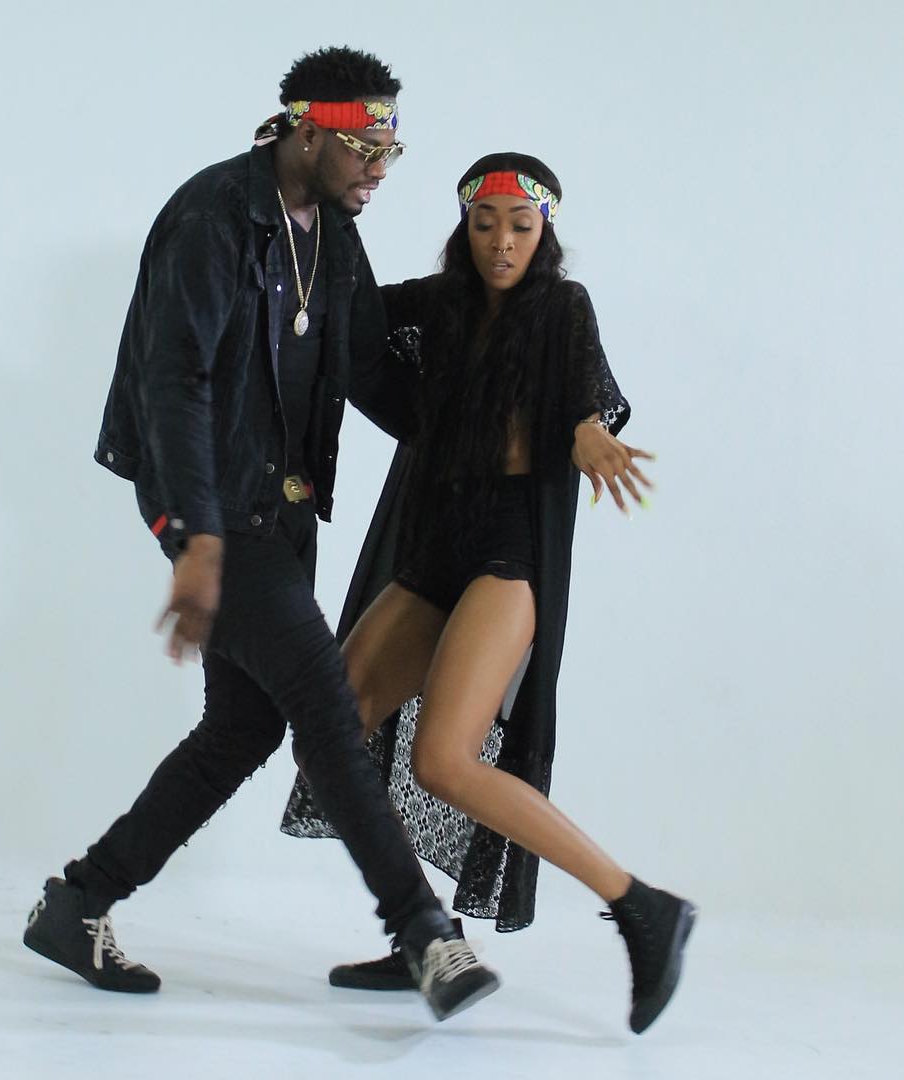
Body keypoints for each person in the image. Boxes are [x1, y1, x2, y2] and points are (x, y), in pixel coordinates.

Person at [22, 47, 500, 1023]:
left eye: (392, 151)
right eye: (366, 148)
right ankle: (426, 935)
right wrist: (195, 538)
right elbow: (175, 384)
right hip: (215, 511)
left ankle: (78, 902)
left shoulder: (333, 234)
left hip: (280, 513)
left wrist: (482, 444)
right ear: (309, 131)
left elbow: (366, 367)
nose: (380, 169)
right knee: (326, 706)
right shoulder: (213, 217)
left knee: (243, 727)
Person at [282, 153, 695, 1034]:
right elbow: (350, 317)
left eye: (519, 225)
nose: (501, 242)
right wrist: (314, 211)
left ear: (544, 232)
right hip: (438, 544)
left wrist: (588, 431)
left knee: (443, 760)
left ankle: (641, 905)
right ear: (463, 228)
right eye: (484, 224)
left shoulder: (561, 308)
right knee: (329, 728)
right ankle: (426, 932)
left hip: (509, 554)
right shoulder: (437, 305)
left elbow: (583, 398)